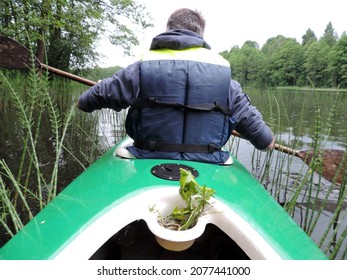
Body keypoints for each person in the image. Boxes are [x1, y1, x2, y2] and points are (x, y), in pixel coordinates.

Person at [77, 8, 274, 164]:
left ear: (169, 29)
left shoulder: (141, 69)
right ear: (201, 35)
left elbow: (85, 102)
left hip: (145, 157)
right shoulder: (226, 81)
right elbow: (266, 142)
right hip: (209, 162)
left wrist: (101, 86)